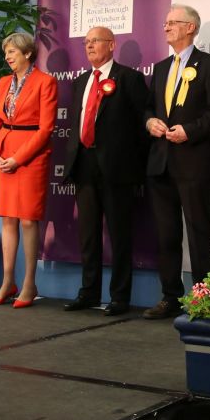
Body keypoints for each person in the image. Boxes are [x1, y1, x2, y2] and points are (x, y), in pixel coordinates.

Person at [142, 4, 210, 319]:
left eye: (172, 23)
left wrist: (189, 131)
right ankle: (170, 297)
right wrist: (150, 123)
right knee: (166, 234)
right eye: (164, 23)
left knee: (199, 232)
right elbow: (148, 109)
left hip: (194, 162)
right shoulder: (161, 67)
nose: (166, 28)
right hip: (161, 163)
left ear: (191, 27)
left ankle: (207, 298)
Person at [62, 27, 148, 315]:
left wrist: (134, 168)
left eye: (95, 41)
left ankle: (120, 297)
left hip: (117, 170)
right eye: (86, 42)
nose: (89, 46)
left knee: (119, 234)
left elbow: (140, 128)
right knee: (88, 235)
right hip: (84, 165)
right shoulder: (81, 81)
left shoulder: (129, 78)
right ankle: (88, 292)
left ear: (111, 45)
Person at [0, 32, 58, 309]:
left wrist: (17, 158)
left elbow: (46, 129)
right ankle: (7, 281)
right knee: (8, 219)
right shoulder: (3, 83)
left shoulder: (45, 82)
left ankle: (29, 283)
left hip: (31, 155)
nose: (7, 57)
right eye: (6, 52)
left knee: (28, 219)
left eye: (12, 51)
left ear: (27, 53)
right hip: (3, 153)